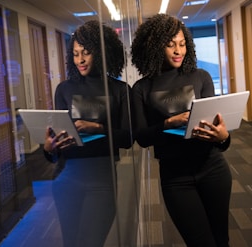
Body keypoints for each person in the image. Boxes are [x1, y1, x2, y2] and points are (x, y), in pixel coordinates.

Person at [131, 13, 232, 247]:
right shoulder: (142, 88)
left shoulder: (201, 77)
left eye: (182, 44)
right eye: (170, 45)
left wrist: (224, 137)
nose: (178, 50)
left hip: (213, 169)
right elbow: (142, 138)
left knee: (221, 240)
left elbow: (218, 132)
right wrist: (167, 124)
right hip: (176, 178)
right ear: (155, 47)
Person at [43, 20, 133, 247]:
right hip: (66, 178)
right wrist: (49, 149)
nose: (80, 60)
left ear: (102, 53)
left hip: (102, 180)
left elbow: (128, 138)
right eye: (75, 54)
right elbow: (58, 142)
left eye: (86, 53)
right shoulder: (64, 89)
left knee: (90, 242)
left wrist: (98, 128)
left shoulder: (120, 90)